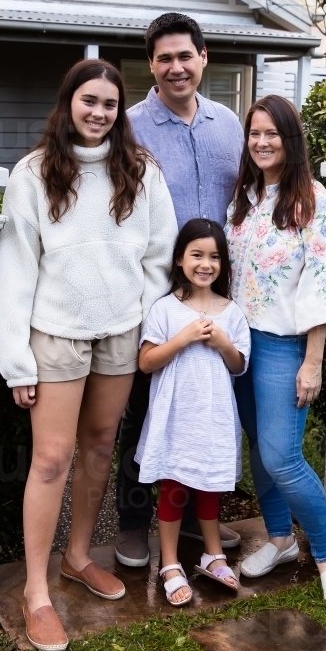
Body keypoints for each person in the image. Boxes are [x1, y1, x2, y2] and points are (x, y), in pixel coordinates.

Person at [0, 59, 177, 651]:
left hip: (120, 333)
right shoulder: (35, 172)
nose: (99, 113)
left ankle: (78, 556)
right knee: (50, 460)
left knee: (100, 446)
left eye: (109, 103)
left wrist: (148, 321)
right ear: (68, 102)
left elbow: (159, 253)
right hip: (55, 334)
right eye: (88, 100)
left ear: (120, 110)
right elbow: (16, 270)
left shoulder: (141, 171)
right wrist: (17, 360)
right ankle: (36, 593)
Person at [115, 12, 244, 568]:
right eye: (164, 58)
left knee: (205, 409)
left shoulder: (229, 124)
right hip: (157, 298)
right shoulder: (131, 127)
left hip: (217, 294)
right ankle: (133, 523)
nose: (175, 68)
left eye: (184, 56)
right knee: (147, 412)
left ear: (203, 57)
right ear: (151, 64)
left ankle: (195, 521)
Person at [225, 94, 326, 608]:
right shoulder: (243, 196)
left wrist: (313, 359)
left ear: (290, 139)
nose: (261, 142)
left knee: (283, 455)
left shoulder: (311, 198)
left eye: (271, 134)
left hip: (283, 345)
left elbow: (325, 281)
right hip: (239, 344)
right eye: (254, 133)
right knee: (258, 445)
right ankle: (279, 539)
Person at [135, 219, 251, 605]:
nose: (206, 264)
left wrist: (221, 342)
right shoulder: (165, 309)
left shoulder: (231, 312)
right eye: (197, 255)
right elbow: (147, 362)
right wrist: (182, 338)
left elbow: (238, 365)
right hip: (176, 415)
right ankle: (169, 562)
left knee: (210, 483)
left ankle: (212, 554)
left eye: (214, 257)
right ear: (180, 260)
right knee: (174, 486)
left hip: (214, 415)